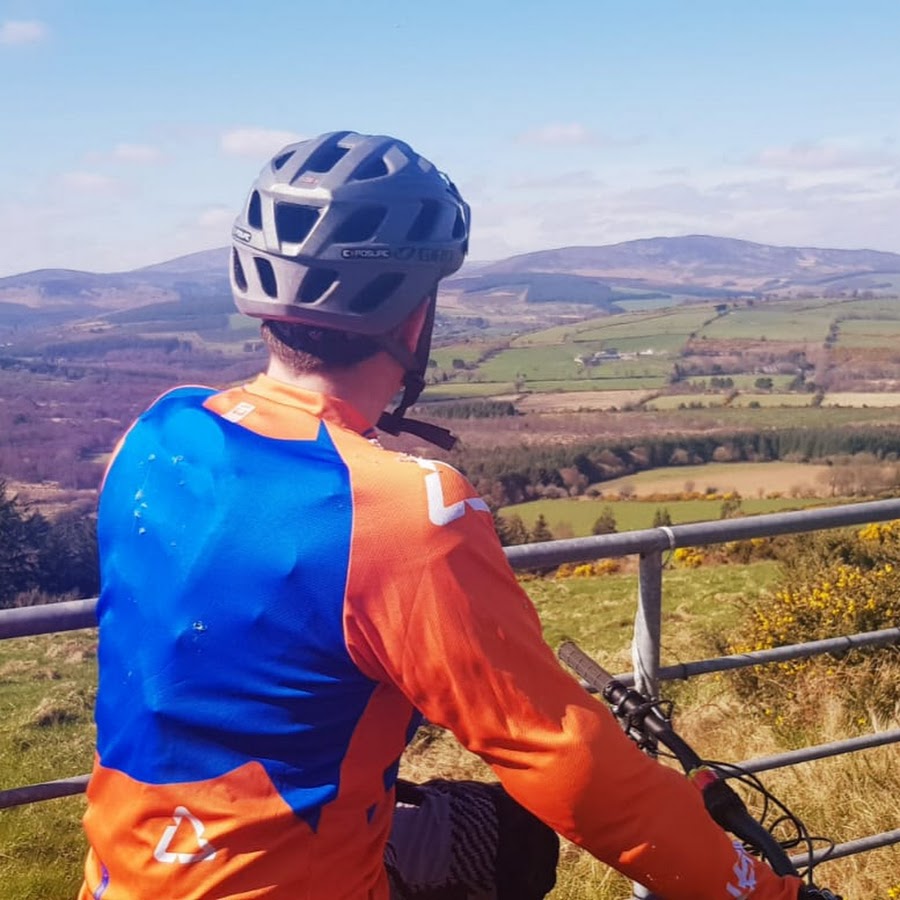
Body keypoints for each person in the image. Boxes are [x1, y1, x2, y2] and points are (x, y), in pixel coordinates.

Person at [80, 130, 812, 900]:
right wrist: (769, 894)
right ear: (412, 320)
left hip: (123, 873)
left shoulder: (156, 432)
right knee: (518, 838)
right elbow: (566, 760)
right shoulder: (398, 512)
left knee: (504, 833)